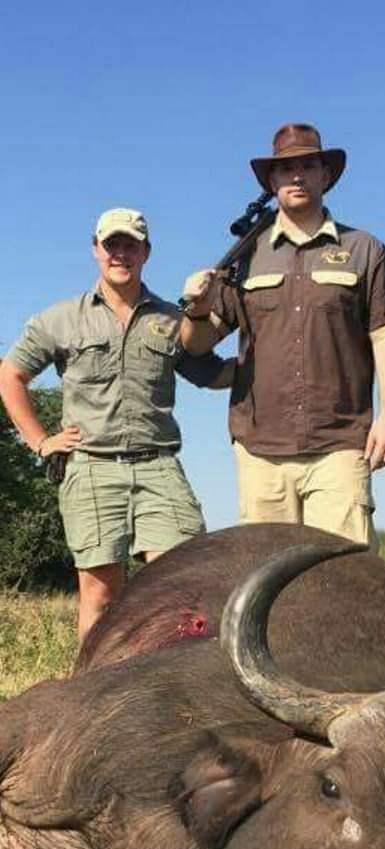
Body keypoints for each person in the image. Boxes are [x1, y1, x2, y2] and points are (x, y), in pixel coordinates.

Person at [0, 208, 226, 642]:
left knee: (182, 582)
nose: (120, 253)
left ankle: (165, 690)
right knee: (101, 593)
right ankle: (90, 695)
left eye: (130, 245)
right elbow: (11, 375)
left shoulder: (172, 319)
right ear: (95, 250)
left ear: (146, 252)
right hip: (92, 467)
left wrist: (273, 356)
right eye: (112, 244)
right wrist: (41, 441)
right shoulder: (62, 318)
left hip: (159, 466)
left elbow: (212, 373)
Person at [180, 123, 385, 551]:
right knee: (266, 580)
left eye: (307, 165)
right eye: (286, 169)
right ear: (272, 181)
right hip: (260, 448)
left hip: (339, 444)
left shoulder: (364, 249)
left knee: (343, 577)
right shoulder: (244, 256)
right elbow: (196, 344)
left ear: (325, 175)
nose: (297, 175)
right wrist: (196, 307)